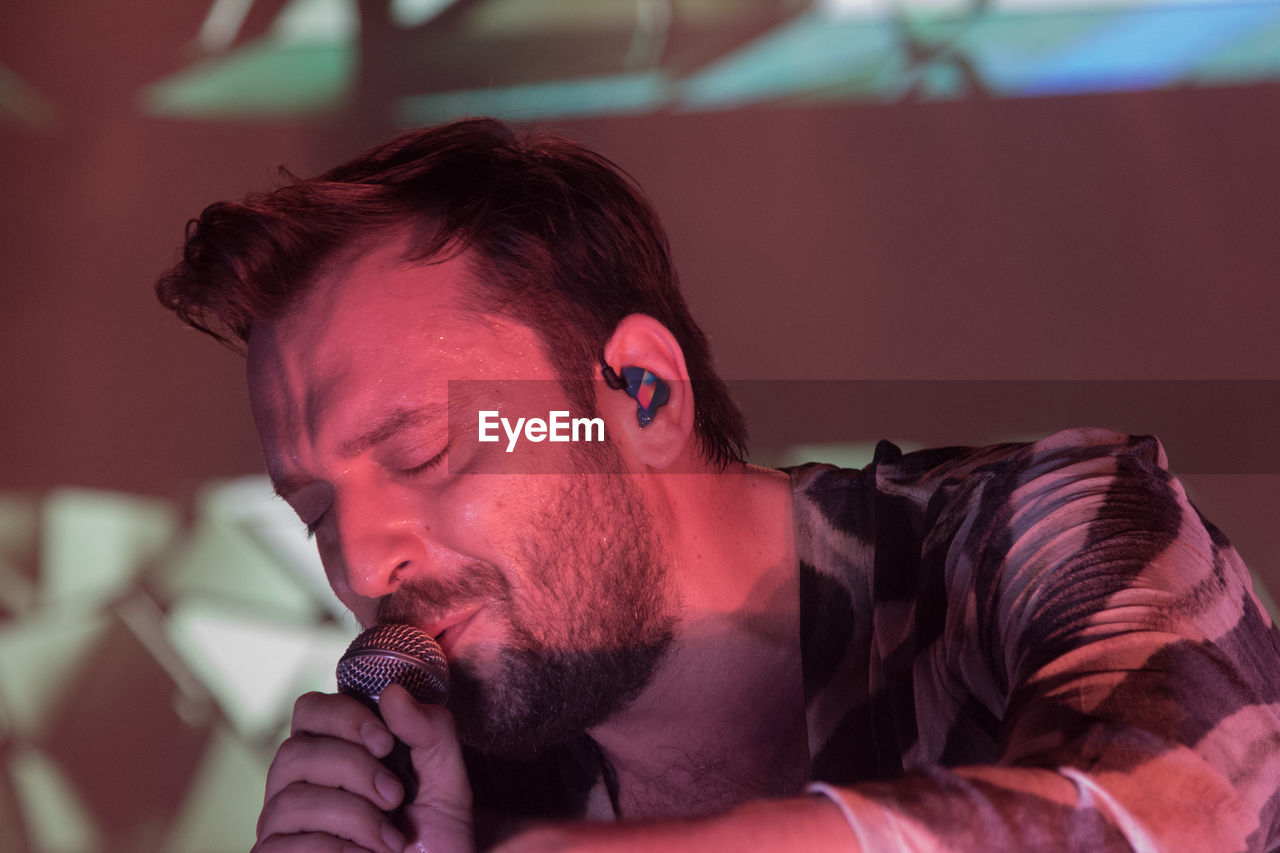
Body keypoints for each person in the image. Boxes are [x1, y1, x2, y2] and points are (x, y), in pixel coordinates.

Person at [156, 118, 1280, 852]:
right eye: (313, 510)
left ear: (639, 393)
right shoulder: (468, 781)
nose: (359, 562)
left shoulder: (1042, 530)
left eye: (421, 450)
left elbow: (1178, 816)